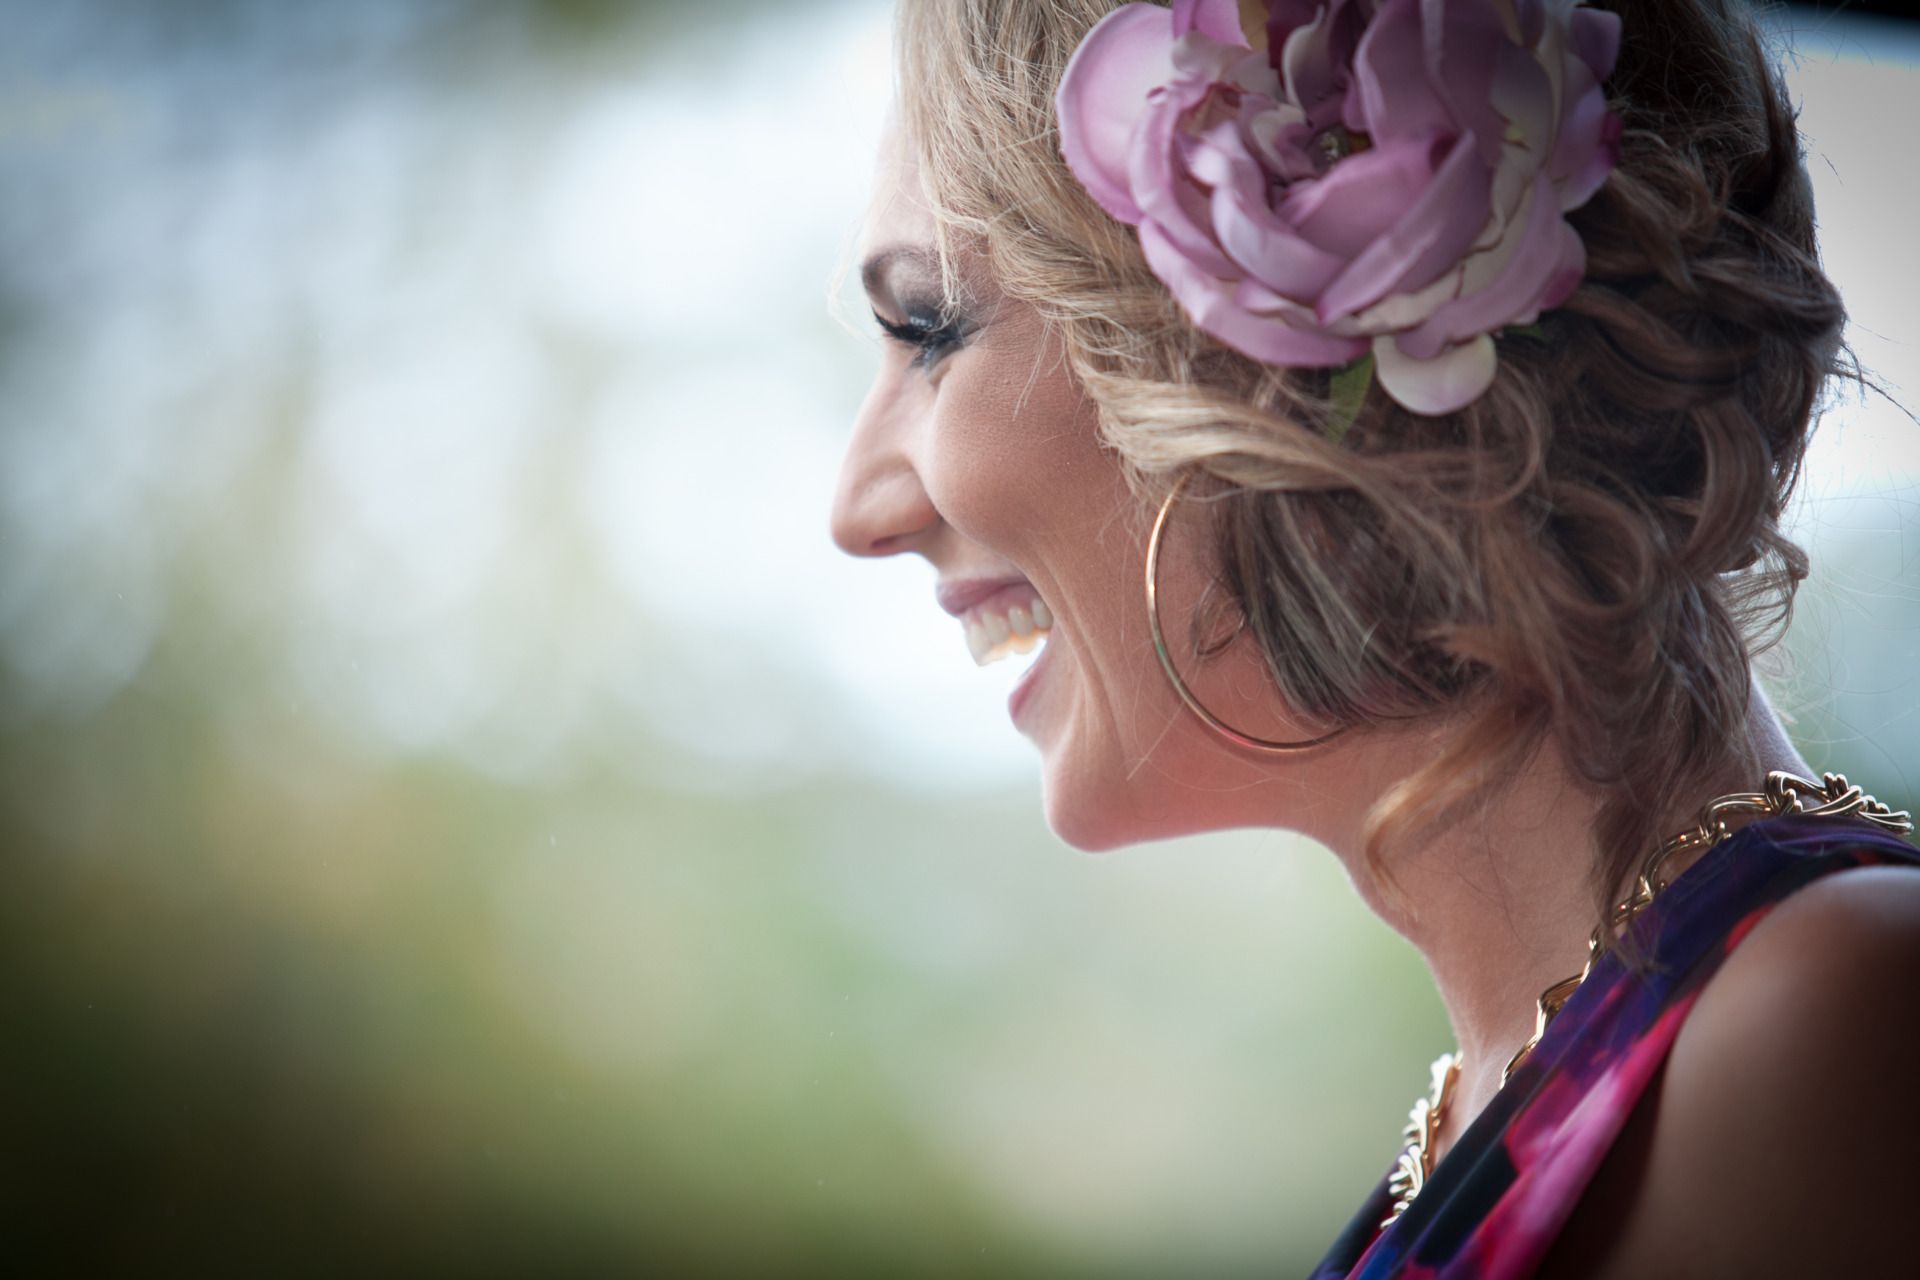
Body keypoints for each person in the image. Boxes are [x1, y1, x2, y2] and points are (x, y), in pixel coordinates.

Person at [830, 1, 1920, 1275]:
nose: (857, 508)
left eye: (929, 330)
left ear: (1244, 354)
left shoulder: (1836, 1020)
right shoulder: (1521, 1080)